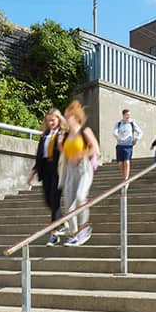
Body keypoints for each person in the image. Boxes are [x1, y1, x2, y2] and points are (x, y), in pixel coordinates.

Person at [59, 100, 99, 247]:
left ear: (76, 117)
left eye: (67, 116)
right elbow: (65, 154)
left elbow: (96, 149)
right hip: (71, 170)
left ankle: (84, 228)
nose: (65, 119)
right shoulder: (65, 136)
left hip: (84, 168)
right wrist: (60, 146)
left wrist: (83, 154)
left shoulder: (85, 132)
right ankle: (74, 234)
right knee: (68, 204)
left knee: (81, 197)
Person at [30, 108, 68, 247]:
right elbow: (39, 155)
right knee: (48, 200)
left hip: (58, 168)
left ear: (59, 119)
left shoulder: (64, 134)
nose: (50, 123)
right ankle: (64, 222)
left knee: (54, 200)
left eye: (53, 120)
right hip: (45, 168)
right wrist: (33, 172)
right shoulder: (45, 135)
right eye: (48, 120)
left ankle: (54, 234)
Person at [113, 109, 143, 181]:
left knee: (126, 161)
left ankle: (126, 179)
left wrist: (136, 139)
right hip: (120, 145)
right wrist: (117, 136)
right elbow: (114, 132)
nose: (128, 116)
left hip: (128, 145)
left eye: (129, 115)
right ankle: (124, 177)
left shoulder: (132, 123)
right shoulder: (118, 123)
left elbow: (140, 132)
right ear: (123, 115)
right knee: (120, 163)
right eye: (127, 115)